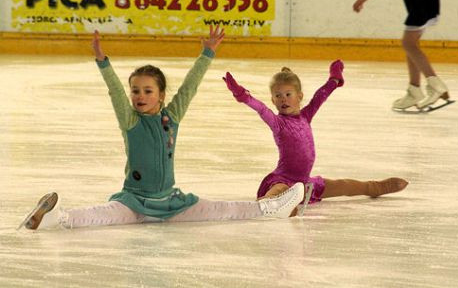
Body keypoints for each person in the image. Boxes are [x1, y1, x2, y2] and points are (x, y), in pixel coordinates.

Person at [19, 26, 305, 231]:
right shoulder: (131, 121)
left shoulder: (172, 117)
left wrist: (207, 53)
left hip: (171, 203)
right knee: (101, 214)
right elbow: (115, 93)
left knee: (222, 208)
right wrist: (102, 62)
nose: (139, 96)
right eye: (135, 91)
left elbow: (189, 88)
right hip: (135, 201)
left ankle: (270, 208)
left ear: (161, 94)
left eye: (146, 90)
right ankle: (57, 218)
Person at [223, 60, 408, 214]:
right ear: (273, 100)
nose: (283, 99)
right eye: (278, 96)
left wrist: (334, 79)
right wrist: (241, 94)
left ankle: (375, 187)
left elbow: (320, 97)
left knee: (343, 185)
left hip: (305, 183)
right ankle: (265, 204)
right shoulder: (278, 123)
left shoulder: (306, 115)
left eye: (288, 94)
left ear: (299, 96)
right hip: (283, 180)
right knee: (279, 191)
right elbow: (261, 109)